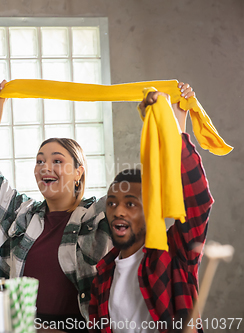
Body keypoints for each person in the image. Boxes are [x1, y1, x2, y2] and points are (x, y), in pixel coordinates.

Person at [0, 81, 194, 332]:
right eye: (40, 161)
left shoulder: (100, 214)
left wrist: (175, 119)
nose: (45, 167)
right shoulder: (22, 215)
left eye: (57, 160)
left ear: (79, 172)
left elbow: (158, 182)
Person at [88, 88, 212, 333]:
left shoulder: (175, 256)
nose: (118, 211)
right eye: (112, 202)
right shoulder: (102, 277)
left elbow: (196, 201)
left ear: (151, 208)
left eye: (131, 203)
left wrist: (172, 126)